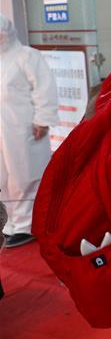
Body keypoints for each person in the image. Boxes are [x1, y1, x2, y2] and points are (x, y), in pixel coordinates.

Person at [0, 14, 59, 249]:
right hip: (3, 130)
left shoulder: (27, 56)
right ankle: (10, 222)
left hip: (23, 128)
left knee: (25, 175)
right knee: (4, 177)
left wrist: (43, 120)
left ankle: (27, 224)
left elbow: (44, 87)